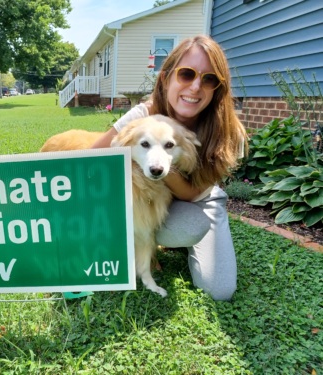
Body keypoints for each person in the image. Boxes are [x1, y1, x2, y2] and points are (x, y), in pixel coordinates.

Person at [92, 35, 248, 301]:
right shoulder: (144, 115)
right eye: (187, 74)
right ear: (166, 78)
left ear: (217, 89)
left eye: (209, 79)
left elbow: (189, 194)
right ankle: (145, 243)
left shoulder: (228, 132)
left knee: (220, 289)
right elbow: (94, 157)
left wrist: (158, 163)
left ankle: (180, 242)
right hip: (151, 196)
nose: (196, 87)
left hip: (198, 202)